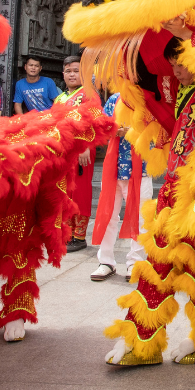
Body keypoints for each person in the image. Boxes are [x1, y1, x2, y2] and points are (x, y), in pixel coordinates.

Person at [91, 88, 151, 282]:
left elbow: (158, 130)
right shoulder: (115, 99)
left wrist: (133, 131)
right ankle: (106, 261)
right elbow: (102, 126)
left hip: (141, 167)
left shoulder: (148, 98)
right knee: (108, 215)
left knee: (141, 217)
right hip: (113, 167)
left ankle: (136, 261)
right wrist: (114, 130)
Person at [55, 55, 93, 251]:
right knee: (66, 191)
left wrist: (85, 146)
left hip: (81, 151)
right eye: (68, 71)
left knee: (81, 191)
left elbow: (94, 122)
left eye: (76, 71)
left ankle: (79, 236)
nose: (72, 74)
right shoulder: (60, 98)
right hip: (64, 152)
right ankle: (67, 233)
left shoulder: (88, 94)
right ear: (63, 74)